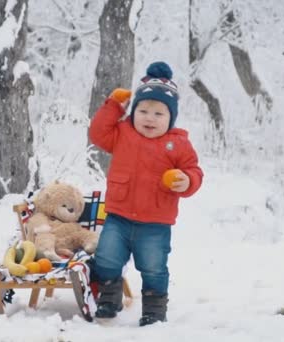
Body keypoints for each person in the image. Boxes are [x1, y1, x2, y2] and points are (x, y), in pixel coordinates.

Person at [88, 61, 204, 326]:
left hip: (155, 222)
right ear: (133, 112)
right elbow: (97, 133)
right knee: (106, 257)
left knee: (153, 266)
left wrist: (186, 181)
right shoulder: (122, 134)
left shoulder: (178, 144)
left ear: (171, 118)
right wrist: (113, 106)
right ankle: (109, 297)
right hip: (118, 215)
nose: (149, 118)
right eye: (143, 110)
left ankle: (154, 309)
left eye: (158, 113)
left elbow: (194, 171)